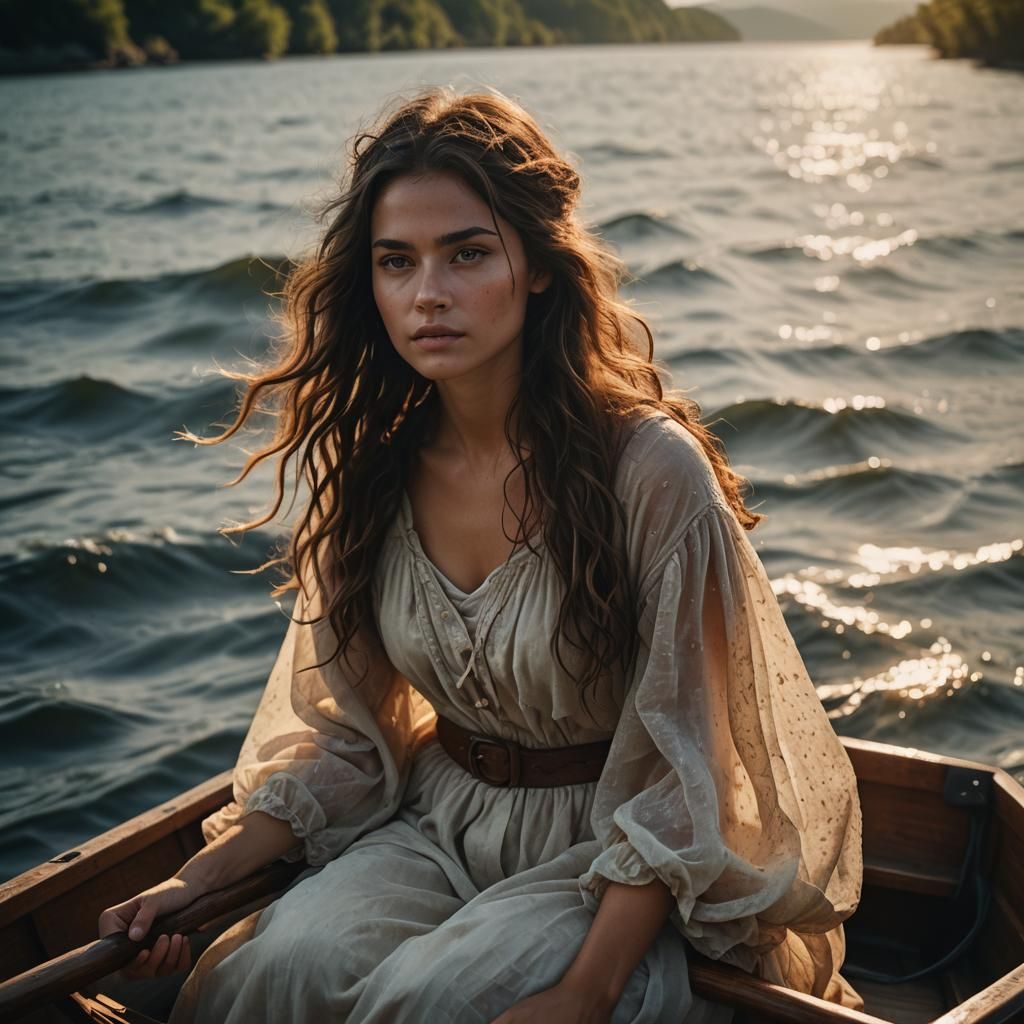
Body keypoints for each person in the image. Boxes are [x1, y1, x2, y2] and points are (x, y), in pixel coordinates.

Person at [98, 87, 864, 1024]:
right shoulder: (373, 468)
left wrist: (587, 991)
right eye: (397, 262)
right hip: (437, 820)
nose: (428, 294)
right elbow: (349, 736)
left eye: (466, 253)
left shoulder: (649, 469)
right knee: (272, 973)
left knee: (432, 1004)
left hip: (617, 858)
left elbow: (686, 776)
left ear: (538, 265)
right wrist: (199, 877)